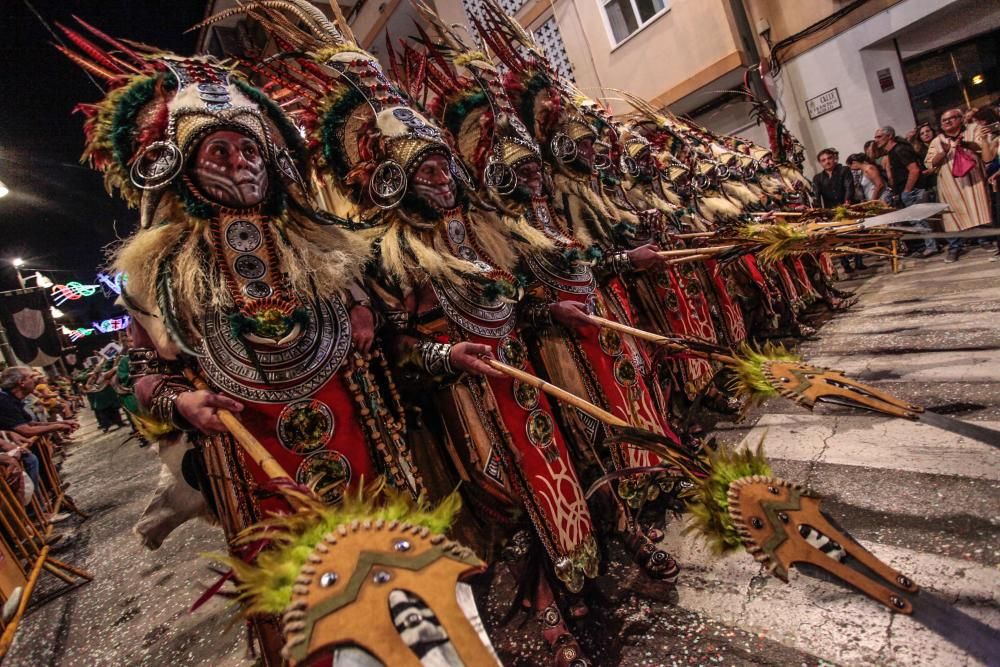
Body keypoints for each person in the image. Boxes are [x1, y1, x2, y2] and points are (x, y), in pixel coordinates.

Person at [925, 108, 998, 262]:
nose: (946, 122)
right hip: (949, 185)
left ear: (960, 119)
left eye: (951, 119)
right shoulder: (937, 141)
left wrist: (963, 143)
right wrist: (943, 152)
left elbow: (985, 150)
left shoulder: (974, 130)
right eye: (943, 120)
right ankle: (955, 248)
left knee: (979, 208)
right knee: (952, 216)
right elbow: (930, 164)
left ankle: (984, 240)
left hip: (974, 180)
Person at [874, 125, 938, 256]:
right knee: (916, 221)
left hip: (911, 190)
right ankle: (927, 246)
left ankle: (931, 246)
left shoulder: (900, 149)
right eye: (875, 137)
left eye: (879, 137)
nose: (876, 140)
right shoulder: (892, 152)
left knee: (919, 220)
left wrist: (907, 190)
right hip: (904, 191)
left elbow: (914, 170)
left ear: (889, 136)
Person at [813, 148, 863, 272]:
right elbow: (816, 195)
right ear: (820, 163)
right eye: (823, 160)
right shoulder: (818, 178)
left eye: (829, 158)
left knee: (855, 235)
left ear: (834, 159)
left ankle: (859, 262)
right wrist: (818, 211)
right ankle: (846, 265)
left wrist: (847, 202)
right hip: (831, 211)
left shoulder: (844, 170)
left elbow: (848, 186)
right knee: (837, 238)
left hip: (847, 207)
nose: (827, 162)